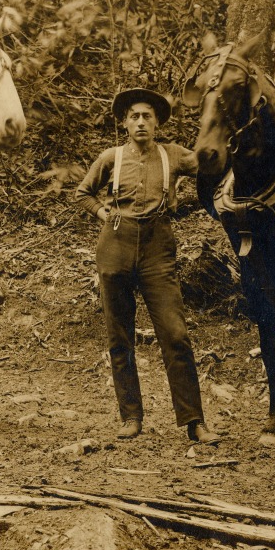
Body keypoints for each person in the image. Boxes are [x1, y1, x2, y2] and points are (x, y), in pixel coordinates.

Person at [76, 88, 221, 444]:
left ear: (157, 123)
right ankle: (131, 417)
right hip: (115, 245)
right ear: (125, 123)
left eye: (147, 117)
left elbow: (211, 161)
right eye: (134, 117)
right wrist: (101, 211)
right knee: (119, 336)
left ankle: (194, 421)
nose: (141, 122)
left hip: (158, 247)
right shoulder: (111, 157)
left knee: (175, 334)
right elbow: (83, 192)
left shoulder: (173, 155)